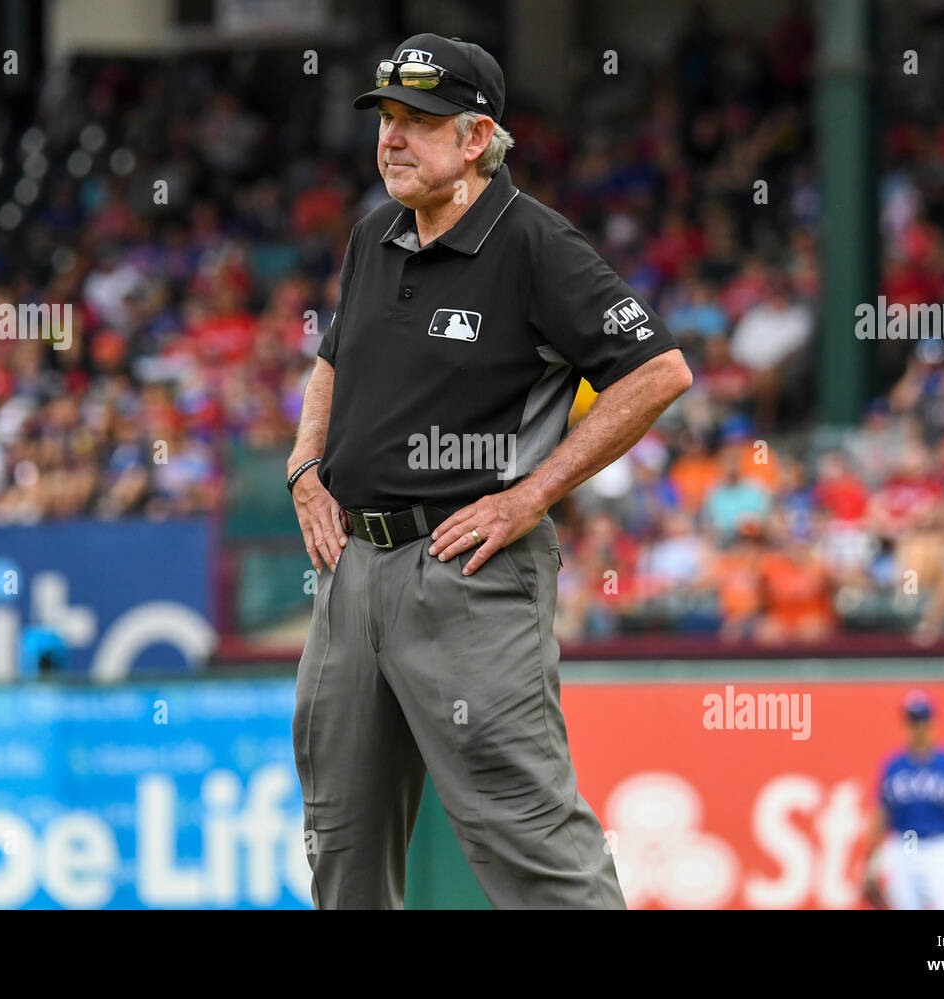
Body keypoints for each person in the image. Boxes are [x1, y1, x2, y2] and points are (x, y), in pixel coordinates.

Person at [286, 33, 692, 909]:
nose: (392, 139)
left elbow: (659, 371)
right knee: (339, 847)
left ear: (477, 138)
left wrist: (532, 493)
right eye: (386, 118)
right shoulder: (374, 233)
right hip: (349, 568)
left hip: (465, 571)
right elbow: (332, 359)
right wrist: (302, 465)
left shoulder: (535, 243)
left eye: (418, 122)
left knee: (532, 844)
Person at [861, 691, 944, 910]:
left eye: (922, 720)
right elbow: (882, 816)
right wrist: (870, 865)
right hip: (905, 844)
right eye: (912, 721)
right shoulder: (894, 766)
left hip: (940, 846)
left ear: (931, 722)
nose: (917, 727)